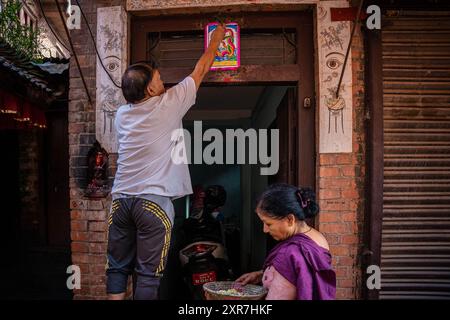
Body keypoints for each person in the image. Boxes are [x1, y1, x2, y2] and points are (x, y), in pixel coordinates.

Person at [106, 24, 226, 300]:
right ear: (149, 88)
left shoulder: (123, 115)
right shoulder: (168, 104)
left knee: (117, 268)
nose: (164, 83)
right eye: (159, 79)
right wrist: (218, 37)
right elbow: (201, 69)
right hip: (152, 203)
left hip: (121, 202)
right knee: (148, 274)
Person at [236, 183, 336, 300]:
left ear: (290, 219)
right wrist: (261, 274)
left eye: (268, 224)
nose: (265, 230)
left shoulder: (289, 253)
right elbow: (300, 274)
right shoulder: (318, 237)